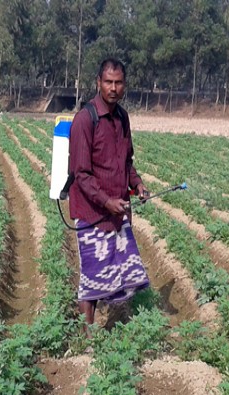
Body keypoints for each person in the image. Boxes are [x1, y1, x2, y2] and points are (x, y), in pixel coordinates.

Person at [68, 58, 151, 330]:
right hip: (93, 213)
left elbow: (126, 161)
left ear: (124, 85)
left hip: (118, 211)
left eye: (118, 82)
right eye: (108, 82)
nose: (113, 88)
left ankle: (113, 323)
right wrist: (106, 201)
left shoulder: (122, 118)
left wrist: (137, 184)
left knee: (121, 269)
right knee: (92, 277)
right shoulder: (85, 120)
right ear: (98, 83)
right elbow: (81, 174)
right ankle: (87, 338)